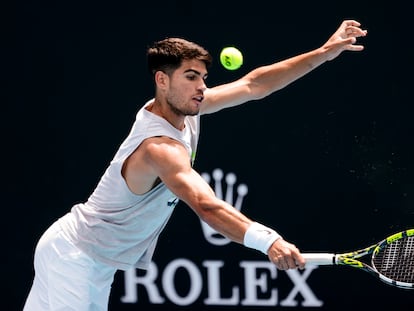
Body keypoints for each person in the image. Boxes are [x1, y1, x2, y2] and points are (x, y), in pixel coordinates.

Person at [24, 20, 367, 311]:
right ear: (162, 80)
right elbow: (205, 205)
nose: (202, 87)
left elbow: (253, 84)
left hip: (86, 258)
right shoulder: (159, 148)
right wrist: (268, 241)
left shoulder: (185, 109)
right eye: (191, 77)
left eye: (203, 77)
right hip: (75, 257)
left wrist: (324, 53)